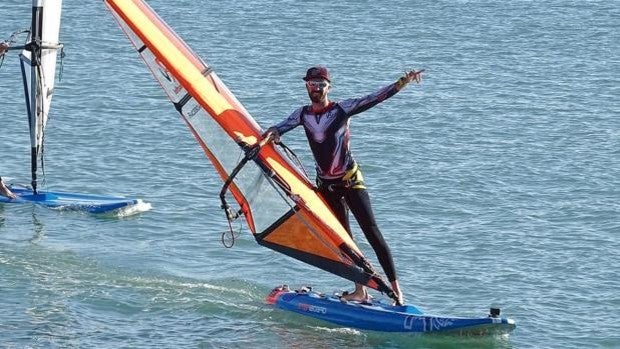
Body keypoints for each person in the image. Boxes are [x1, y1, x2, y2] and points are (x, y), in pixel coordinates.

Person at [264, 66, 423, 305]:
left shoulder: (341, 109)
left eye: (321, 84)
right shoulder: (302, 115)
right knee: (343, 239)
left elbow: (374, 99)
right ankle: (360, 290)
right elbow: (279, 127)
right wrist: (272, 134)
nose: (316, 88)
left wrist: (402, 82)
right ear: (306, 86)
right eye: (312, 84)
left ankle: (397, 293)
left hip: (350, 182)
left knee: (372, 233)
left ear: (329, 87)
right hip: (326, 187)